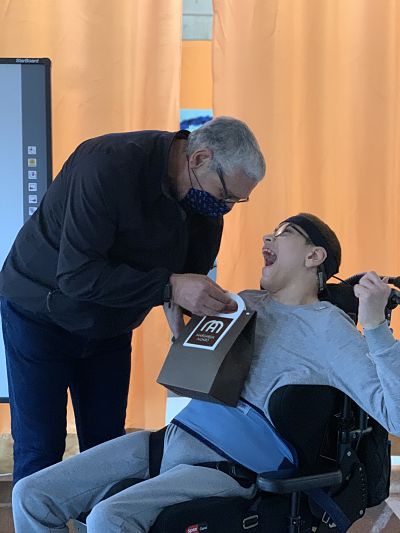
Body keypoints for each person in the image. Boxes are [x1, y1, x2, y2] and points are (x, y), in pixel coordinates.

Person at [12, 212, 400, 533]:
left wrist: (375, 326)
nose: (267, 237)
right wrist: (179, 329)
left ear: (314, 256)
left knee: (110, 517)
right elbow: (196, 376)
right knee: (30, 494)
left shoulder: (328, 328)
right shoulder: (245, 302)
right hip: (174, 439)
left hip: (229, 464)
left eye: (284, 233)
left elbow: (395, 414)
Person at [0, 116, 266, 483]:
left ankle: (99, 513)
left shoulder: (206, 207)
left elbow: (187, 279)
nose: (228, 207)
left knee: (106, 446)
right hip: (40, 313)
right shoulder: (107, 165)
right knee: (40, 447)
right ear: (200, 158)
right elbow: (77, 276)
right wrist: (170, 287)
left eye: (238, 199)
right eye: (226, 195)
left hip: (111, 322)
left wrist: (196, 326)